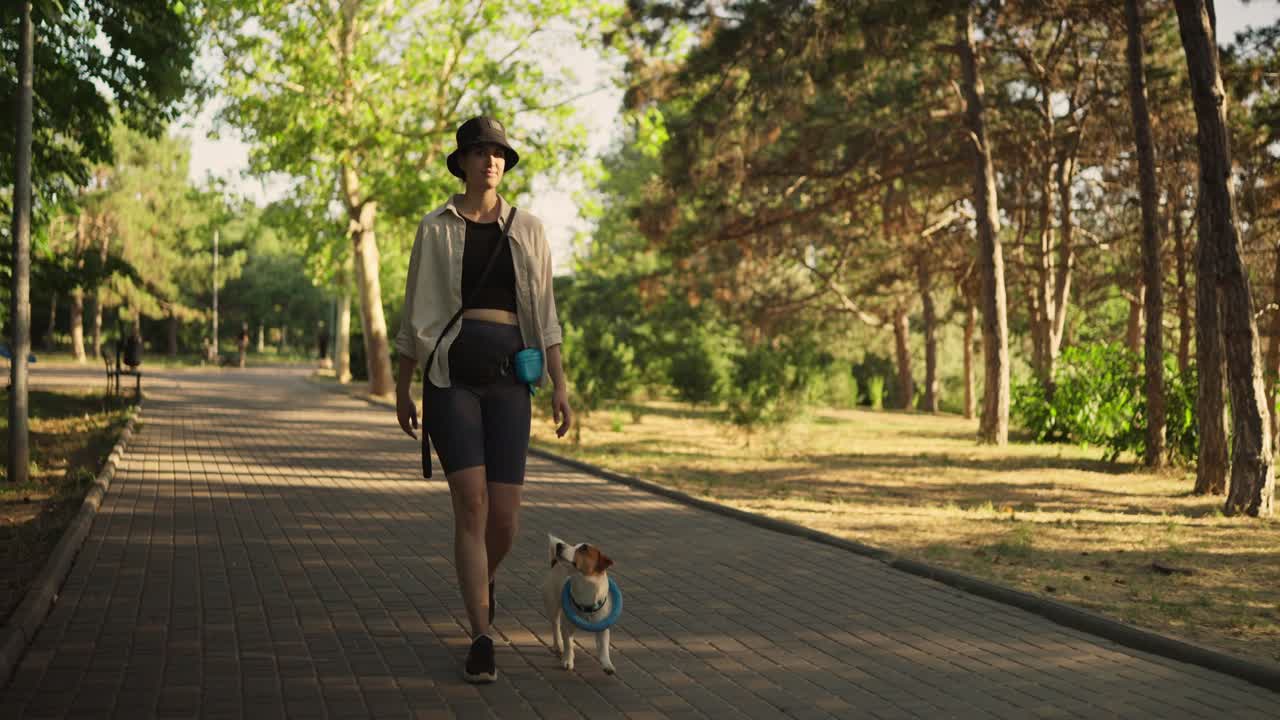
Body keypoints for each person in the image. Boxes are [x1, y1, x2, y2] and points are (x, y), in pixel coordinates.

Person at [394, 115, 573, 684]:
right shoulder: (435, 227)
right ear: (463, 162)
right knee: (470, 506)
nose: (492, 161)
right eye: (481, 152)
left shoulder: (530, 229)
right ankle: (480, 635)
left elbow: (545, 313)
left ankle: (481, 579)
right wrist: (401, 385)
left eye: (499, 153)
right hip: (451, 379)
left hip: (509, 381)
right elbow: (415, 312)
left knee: (507, 518)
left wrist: (561, 385)